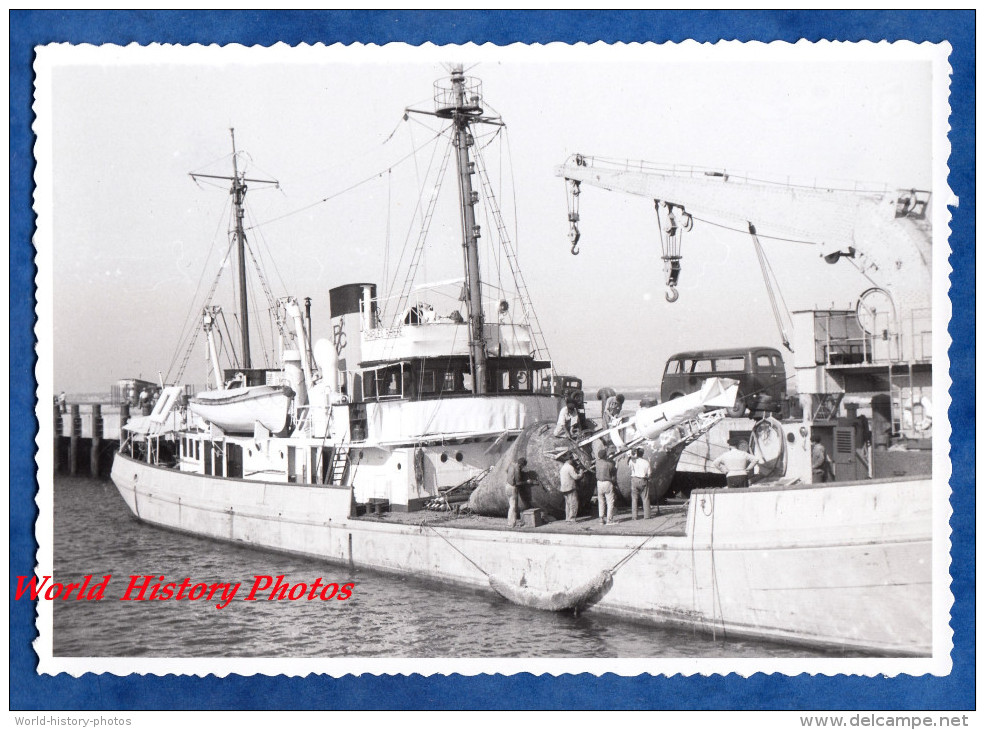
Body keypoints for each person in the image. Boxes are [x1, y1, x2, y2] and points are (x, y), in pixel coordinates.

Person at [629, 448, 653, 519]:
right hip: (643, 480)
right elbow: (649, 474)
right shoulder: (646, 462)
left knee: (634, 499)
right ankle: (647, 516)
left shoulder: (632, 461)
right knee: (645, 498)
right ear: (643, 454)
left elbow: (630, 467)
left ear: (636, 453)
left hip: (634, 479)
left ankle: (634, 516)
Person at [595, 447, 617, 525]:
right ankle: (609, 520)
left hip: (599, 483)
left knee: (601, 502)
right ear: (605, 456)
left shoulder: (597, 463)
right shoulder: (609, 464)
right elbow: (614, 471)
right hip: (607, 483)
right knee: (610, 502)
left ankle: (601, 519)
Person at [504, 457, 528, 528]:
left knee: (511, 506)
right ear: (521, 464)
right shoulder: (517, 469)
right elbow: (518, 483)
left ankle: (510, 522)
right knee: (513, 507)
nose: (523, 468)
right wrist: (527, 482)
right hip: (512, 487)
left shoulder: (511, 464)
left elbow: (506, 470)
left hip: (507, 485)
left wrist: (511, 476)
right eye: (523, 466)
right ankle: (511, 524)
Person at [558, 455, 584, 521]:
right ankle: (572, 518)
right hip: (570, 487)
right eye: (572, 459)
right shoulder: (570, 467)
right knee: (573, 503)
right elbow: (575, 477)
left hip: (564, 488)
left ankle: (567, 518)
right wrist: (581, 473)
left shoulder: (562, 467)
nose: (573, 461)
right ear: (569, 460)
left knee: (568, 504)